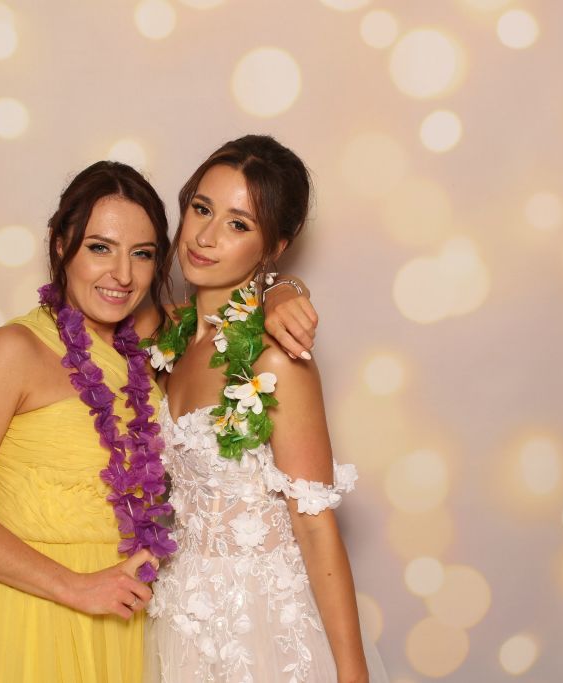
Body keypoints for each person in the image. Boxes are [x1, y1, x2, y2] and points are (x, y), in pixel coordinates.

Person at [0, 160, 321, 682]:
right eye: (100, 248)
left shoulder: (154, 345)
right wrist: (76, 587)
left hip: (125, 623)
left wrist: (285, 289)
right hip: (28, 616)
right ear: (61, 244)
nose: (122, 275)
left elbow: (236, 300)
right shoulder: (12, 351)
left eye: (143, 254)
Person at [144, 136, 389, 683]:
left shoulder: (277, 358)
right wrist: (283, 287)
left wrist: (352, 673)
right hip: (176, 618)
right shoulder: (168, 337)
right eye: (201, 209)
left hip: (261, 631)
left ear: (273, 245)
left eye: (238, 224)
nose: (205, 237)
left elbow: (315, 525)